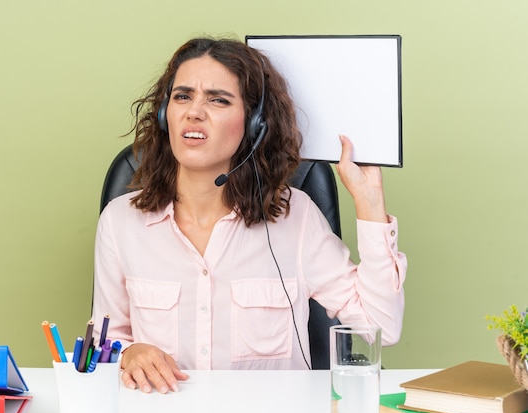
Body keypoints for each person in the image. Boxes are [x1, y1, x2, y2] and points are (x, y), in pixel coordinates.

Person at [91, 37, 407, 394]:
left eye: (218, 99)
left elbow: (380, 323)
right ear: (166, 114)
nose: (194, 112)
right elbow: (105, 342)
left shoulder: (295, 216)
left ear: (254, 124)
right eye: (182, 96)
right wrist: (129, 352)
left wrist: (369, 202)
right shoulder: (120, 222)